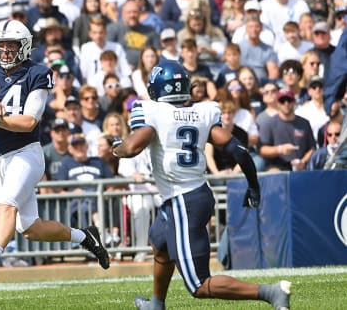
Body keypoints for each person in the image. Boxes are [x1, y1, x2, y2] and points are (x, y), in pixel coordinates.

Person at [110, 61, 291, 310]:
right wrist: (253, 186)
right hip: (191, 194)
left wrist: (116, 149)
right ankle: (156, 304)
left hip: (183, 200)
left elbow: (132, 147)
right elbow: (239, 150)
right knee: (160, 245)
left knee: (199, 285)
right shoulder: (202, 112)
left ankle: (270, 293)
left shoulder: (151, 111)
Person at [0, 19, 109, 282]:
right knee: (30, 228)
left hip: (25, 152)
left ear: (24, 47)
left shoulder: (37, 73)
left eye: (11, 46)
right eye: (1, 46)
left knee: (7, 205)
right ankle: (85, 236)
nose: (5, 52)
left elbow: (28, 122)